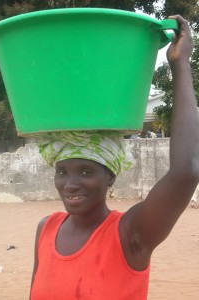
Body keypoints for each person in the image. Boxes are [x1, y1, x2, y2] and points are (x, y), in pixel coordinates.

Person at [30, 15, 199, 299]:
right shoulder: (45, 229)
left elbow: (186, 171)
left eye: (85, 172)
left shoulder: (131, 234)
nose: (70, 184)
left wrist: (180, 64)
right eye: (62, 171)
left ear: (110, 175)